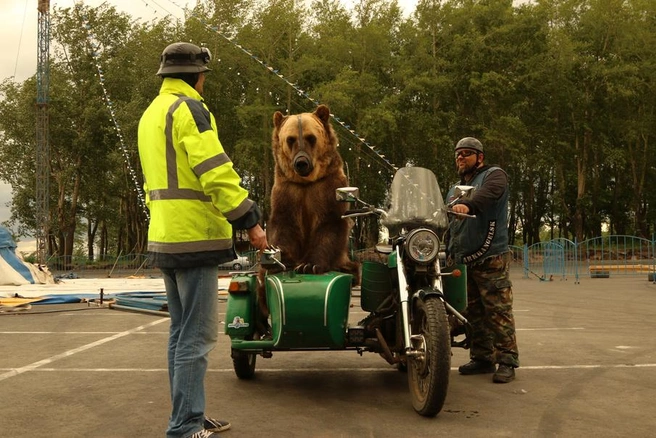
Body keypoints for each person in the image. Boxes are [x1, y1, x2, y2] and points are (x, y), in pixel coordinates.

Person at [138, 42, 269, 438]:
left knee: (181, 335)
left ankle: (189, 413)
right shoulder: (189, 109)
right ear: (198, 75)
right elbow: (214, 170)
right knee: (197, 337)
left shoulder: (151, 113)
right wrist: (249, 218)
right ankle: (185, 426)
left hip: (166, 236)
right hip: (193, 237)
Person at [445, 137, 519, 383]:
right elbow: (446, 222)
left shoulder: (494, 176)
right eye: (458, 154)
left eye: (467, 153)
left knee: (497, 310)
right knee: (473, 311)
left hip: (490, 257)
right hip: (464, 260)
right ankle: (482, 358)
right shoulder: (454, 189)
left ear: (480, 157)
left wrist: (468, 204)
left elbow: (488, 196)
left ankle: (507, 359)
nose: (461, 157)